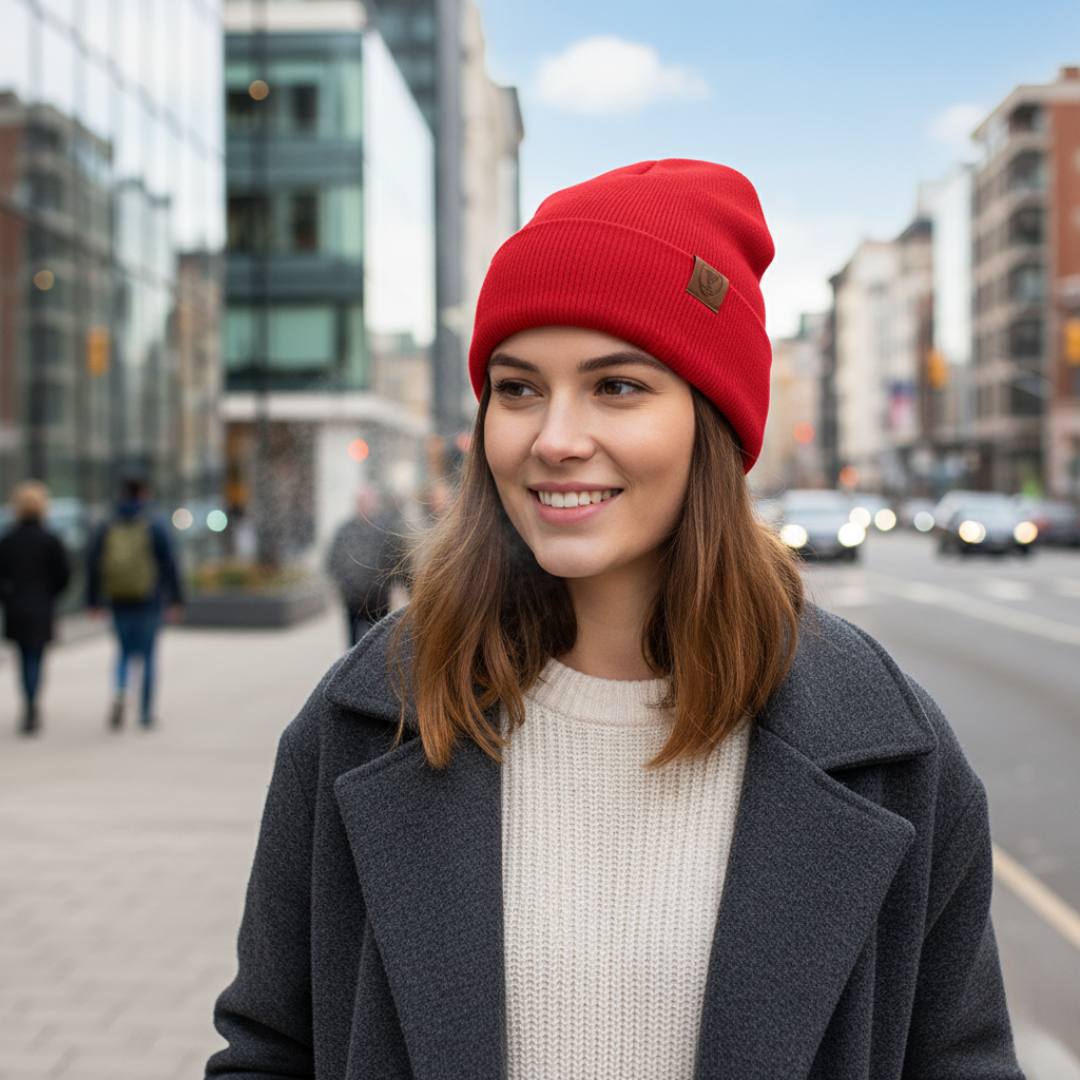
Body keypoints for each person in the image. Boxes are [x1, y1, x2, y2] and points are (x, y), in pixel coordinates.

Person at [208, 161, 1021, 1078]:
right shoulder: (364, 720)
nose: (553, 437)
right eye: (517, 388)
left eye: (617, 387)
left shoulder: (890, 754)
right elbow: (269, 1047)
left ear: (710, 422)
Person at [88, 476, 183, 730]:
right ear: (143, 493)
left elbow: (94, 563)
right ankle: (145, 713)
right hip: (148, 598)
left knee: (123, 652)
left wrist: (93, 600)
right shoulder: (154, 522)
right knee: (149, 654)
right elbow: (169, 563)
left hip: (118, 598)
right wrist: (175, 598)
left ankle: (120, 690)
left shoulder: (108, 523)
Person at [0, 481, 70, 735]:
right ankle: (32, 704)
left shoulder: (8, 540)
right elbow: (63, 575)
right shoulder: (50, 540)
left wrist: (8, 598)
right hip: (41, 607)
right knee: (36, 659)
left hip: (16, 608)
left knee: (23, 659)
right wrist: (49, 594)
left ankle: (28, 703)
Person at [325, 485, 405, 647]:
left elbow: (395, 561)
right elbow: (333, 559)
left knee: (378, 645)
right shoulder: (345, 530)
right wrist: (343, 584)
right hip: (352, 599)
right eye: (360, 502)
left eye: (367, 501)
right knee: (353, 645)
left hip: (378, 600)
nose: (363, 505)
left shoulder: (385, 530)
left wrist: (392, 585)